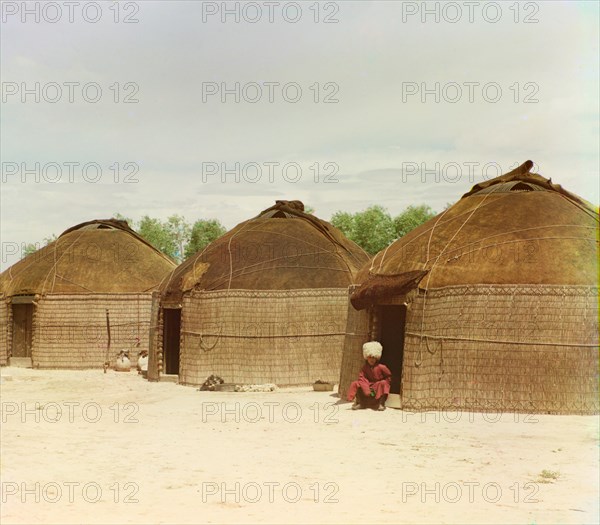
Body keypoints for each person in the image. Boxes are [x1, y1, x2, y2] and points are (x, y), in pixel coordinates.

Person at [347, 341, 391, 411]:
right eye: (370, 357)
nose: (372, 360)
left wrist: (384, 383)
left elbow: (388, 377)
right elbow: (361, 378)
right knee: (356, 383)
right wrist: (366, 387)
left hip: (378, 386)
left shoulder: (382, 367)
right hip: (368, 385)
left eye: (373, 357)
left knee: (383, 383)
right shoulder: (364, 368)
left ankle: (381, 404)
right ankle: (360, 403)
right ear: (367, 358)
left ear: (376, 358)